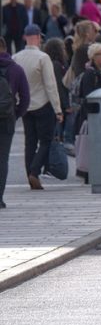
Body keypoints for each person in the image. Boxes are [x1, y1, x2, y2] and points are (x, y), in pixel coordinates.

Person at [13, 24, 63, 190]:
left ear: (24, 37)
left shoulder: (16, 58)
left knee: (30, 142)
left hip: (25, 106)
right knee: (46, 141)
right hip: (43, 105)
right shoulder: (43, 58)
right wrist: (58, 109)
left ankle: (30, 175)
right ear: (38, 38)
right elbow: (50, 85)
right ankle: (35, 172)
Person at [72, 43, 101, 182]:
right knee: (90, 145)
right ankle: (88, 174)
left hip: (100, 115)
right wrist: (95, 113)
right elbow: (89, 96)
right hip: (92, 115)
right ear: (93, 56)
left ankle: (94, 172)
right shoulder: (90, 73)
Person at [0, 38, 31, 208]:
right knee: (2, 159)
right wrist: (15, 114)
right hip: (6, 120)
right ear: (5, 49)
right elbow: (25, 98)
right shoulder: (16, 69)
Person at [42, 38, 70, 169]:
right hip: (56, 105)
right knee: (54, 136)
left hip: (48, 104)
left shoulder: (48, 63)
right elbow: (59, 87)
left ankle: (47, 165)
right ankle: (50, 165)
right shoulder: (57, 65)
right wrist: (66, 106)